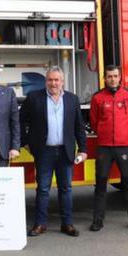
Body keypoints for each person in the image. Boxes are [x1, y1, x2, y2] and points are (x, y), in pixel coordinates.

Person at [20, 67, 87, 237]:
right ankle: (40, 224)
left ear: (62, 81)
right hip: (44, 152)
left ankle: (67, 224)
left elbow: (79, 127)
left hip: (65, 152)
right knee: (43, 189)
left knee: (66, 188)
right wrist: (26, 143)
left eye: (57, 80)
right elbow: (20, 121)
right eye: (50, 80)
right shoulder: (34, 98)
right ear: (46, 81)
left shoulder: (72, 99)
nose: (53, 83)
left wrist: (84, 149)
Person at [88, 65, 128, 232]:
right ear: (105, 78)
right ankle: (98, 220)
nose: (112, 79)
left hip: (124, 146)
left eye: (115, 76)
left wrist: (126, 136)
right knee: (101, 182)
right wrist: (104, 135)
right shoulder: (97, 98)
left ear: (120, 77)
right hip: (104, 147)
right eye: (109, 76)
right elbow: (94, 122)